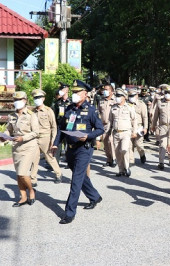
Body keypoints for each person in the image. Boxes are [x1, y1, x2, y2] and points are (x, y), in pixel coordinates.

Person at [52, 80, 104, 225]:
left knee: (76, 180)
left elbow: (100, 129)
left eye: (77, 92)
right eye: (73, 92)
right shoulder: (69, 109)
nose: (74, 95)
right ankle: (94, 196)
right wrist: (56, 144)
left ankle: (69, 213)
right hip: (70, 149)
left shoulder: (91, 110)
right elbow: (61, 129)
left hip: (84, 149)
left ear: (85, 94)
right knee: (80, 177)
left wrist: (88, 136)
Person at [1, 91, 39, 207]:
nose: (17, 102)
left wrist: (23, 138)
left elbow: (36, 132)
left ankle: (31, 190)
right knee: (18, 174)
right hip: (16, 148)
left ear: (25, 101)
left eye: (20, 100)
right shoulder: (12, 116)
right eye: (15, 100)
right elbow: (9, 130)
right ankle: (23, 197)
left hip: (28, 147)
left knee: (23, 173)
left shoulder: (31, 115)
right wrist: (4, 136)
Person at [30, 89, 62, 185]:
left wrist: (53, 140)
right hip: (35, 137)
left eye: (39, 97)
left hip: (45, 137)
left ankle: (58, 174)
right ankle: (33, 178)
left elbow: (54, 127)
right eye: (35, 97)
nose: (37, 99)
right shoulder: (32, 111)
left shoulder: (48, 111)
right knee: (34, 158)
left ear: (43, 98)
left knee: (49, 157)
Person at [106, 88, 137, 177]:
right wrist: (107, 132)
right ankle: (121, 170)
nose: (117, 98)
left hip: (126, 132)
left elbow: (134, 120)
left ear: (124, 97)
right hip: (116, 133)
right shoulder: (113, 107)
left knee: (124, 149)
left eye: (119, 96)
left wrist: (134, 131)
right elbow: (110, 121)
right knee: (117, 152)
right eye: (117, 96)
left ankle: (127, 167)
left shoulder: (129, 107)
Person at [151, 84, 170, 170]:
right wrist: (153, 125)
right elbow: (155, 116)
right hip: (163, 126)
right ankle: (161, 162)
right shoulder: (160, 102)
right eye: (166, 92)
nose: (167, 94)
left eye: (169, 92)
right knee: (162, 144)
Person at [52, 83, 71, 165]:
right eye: (60, 90)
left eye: (62, 90)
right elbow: (55, 114)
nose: (61, 92)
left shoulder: (71, 102)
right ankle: (55, 162)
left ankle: (69, 161)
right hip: (59, 124)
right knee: (58, 142)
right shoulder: (57, 102)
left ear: (67, 90)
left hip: (69, 125)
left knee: (69, 143)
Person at [98, 84, 117, 167]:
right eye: (104, 89)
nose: (105, 91)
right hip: (103, 124)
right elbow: (98, 112)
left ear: (111, 91)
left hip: (112, 124)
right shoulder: (101, 100)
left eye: (107, 89)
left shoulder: (116, 100)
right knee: (105, 142)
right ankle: (108, 159)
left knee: (111, 141)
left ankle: (114, 158)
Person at [128, 88, 148, 164]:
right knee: (130, 145)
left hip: (139, 127)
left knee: (139, 144)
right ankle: (131, 160)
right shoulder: (127, 105)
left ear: (136, 95)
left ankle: (142, 155)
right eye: (130, 96)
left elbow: (145, 117)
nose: (131, 97)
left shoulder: (141, 104)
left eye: (132, 95)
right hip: (129, 127)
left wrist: (145, 128)